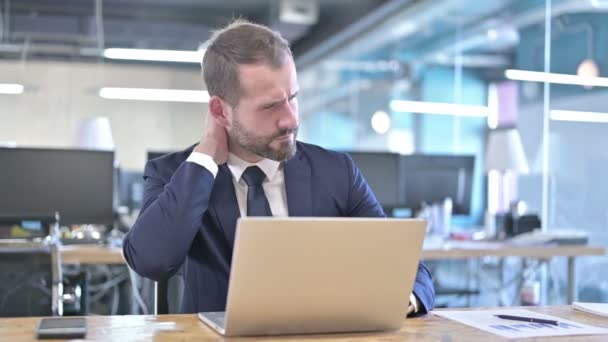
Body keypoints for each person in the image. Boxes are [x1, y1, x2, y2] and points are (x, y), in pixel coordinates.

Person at [123, 19, 435, 316]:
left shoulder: (336, 171)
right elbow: (152, 260)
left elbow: (405, 267)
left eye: (293, 98)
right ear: (221, 110)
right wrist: (205, 156)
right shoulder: (176, 175)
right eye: (270, 106)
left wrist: (401, 300)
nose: (291, 119)